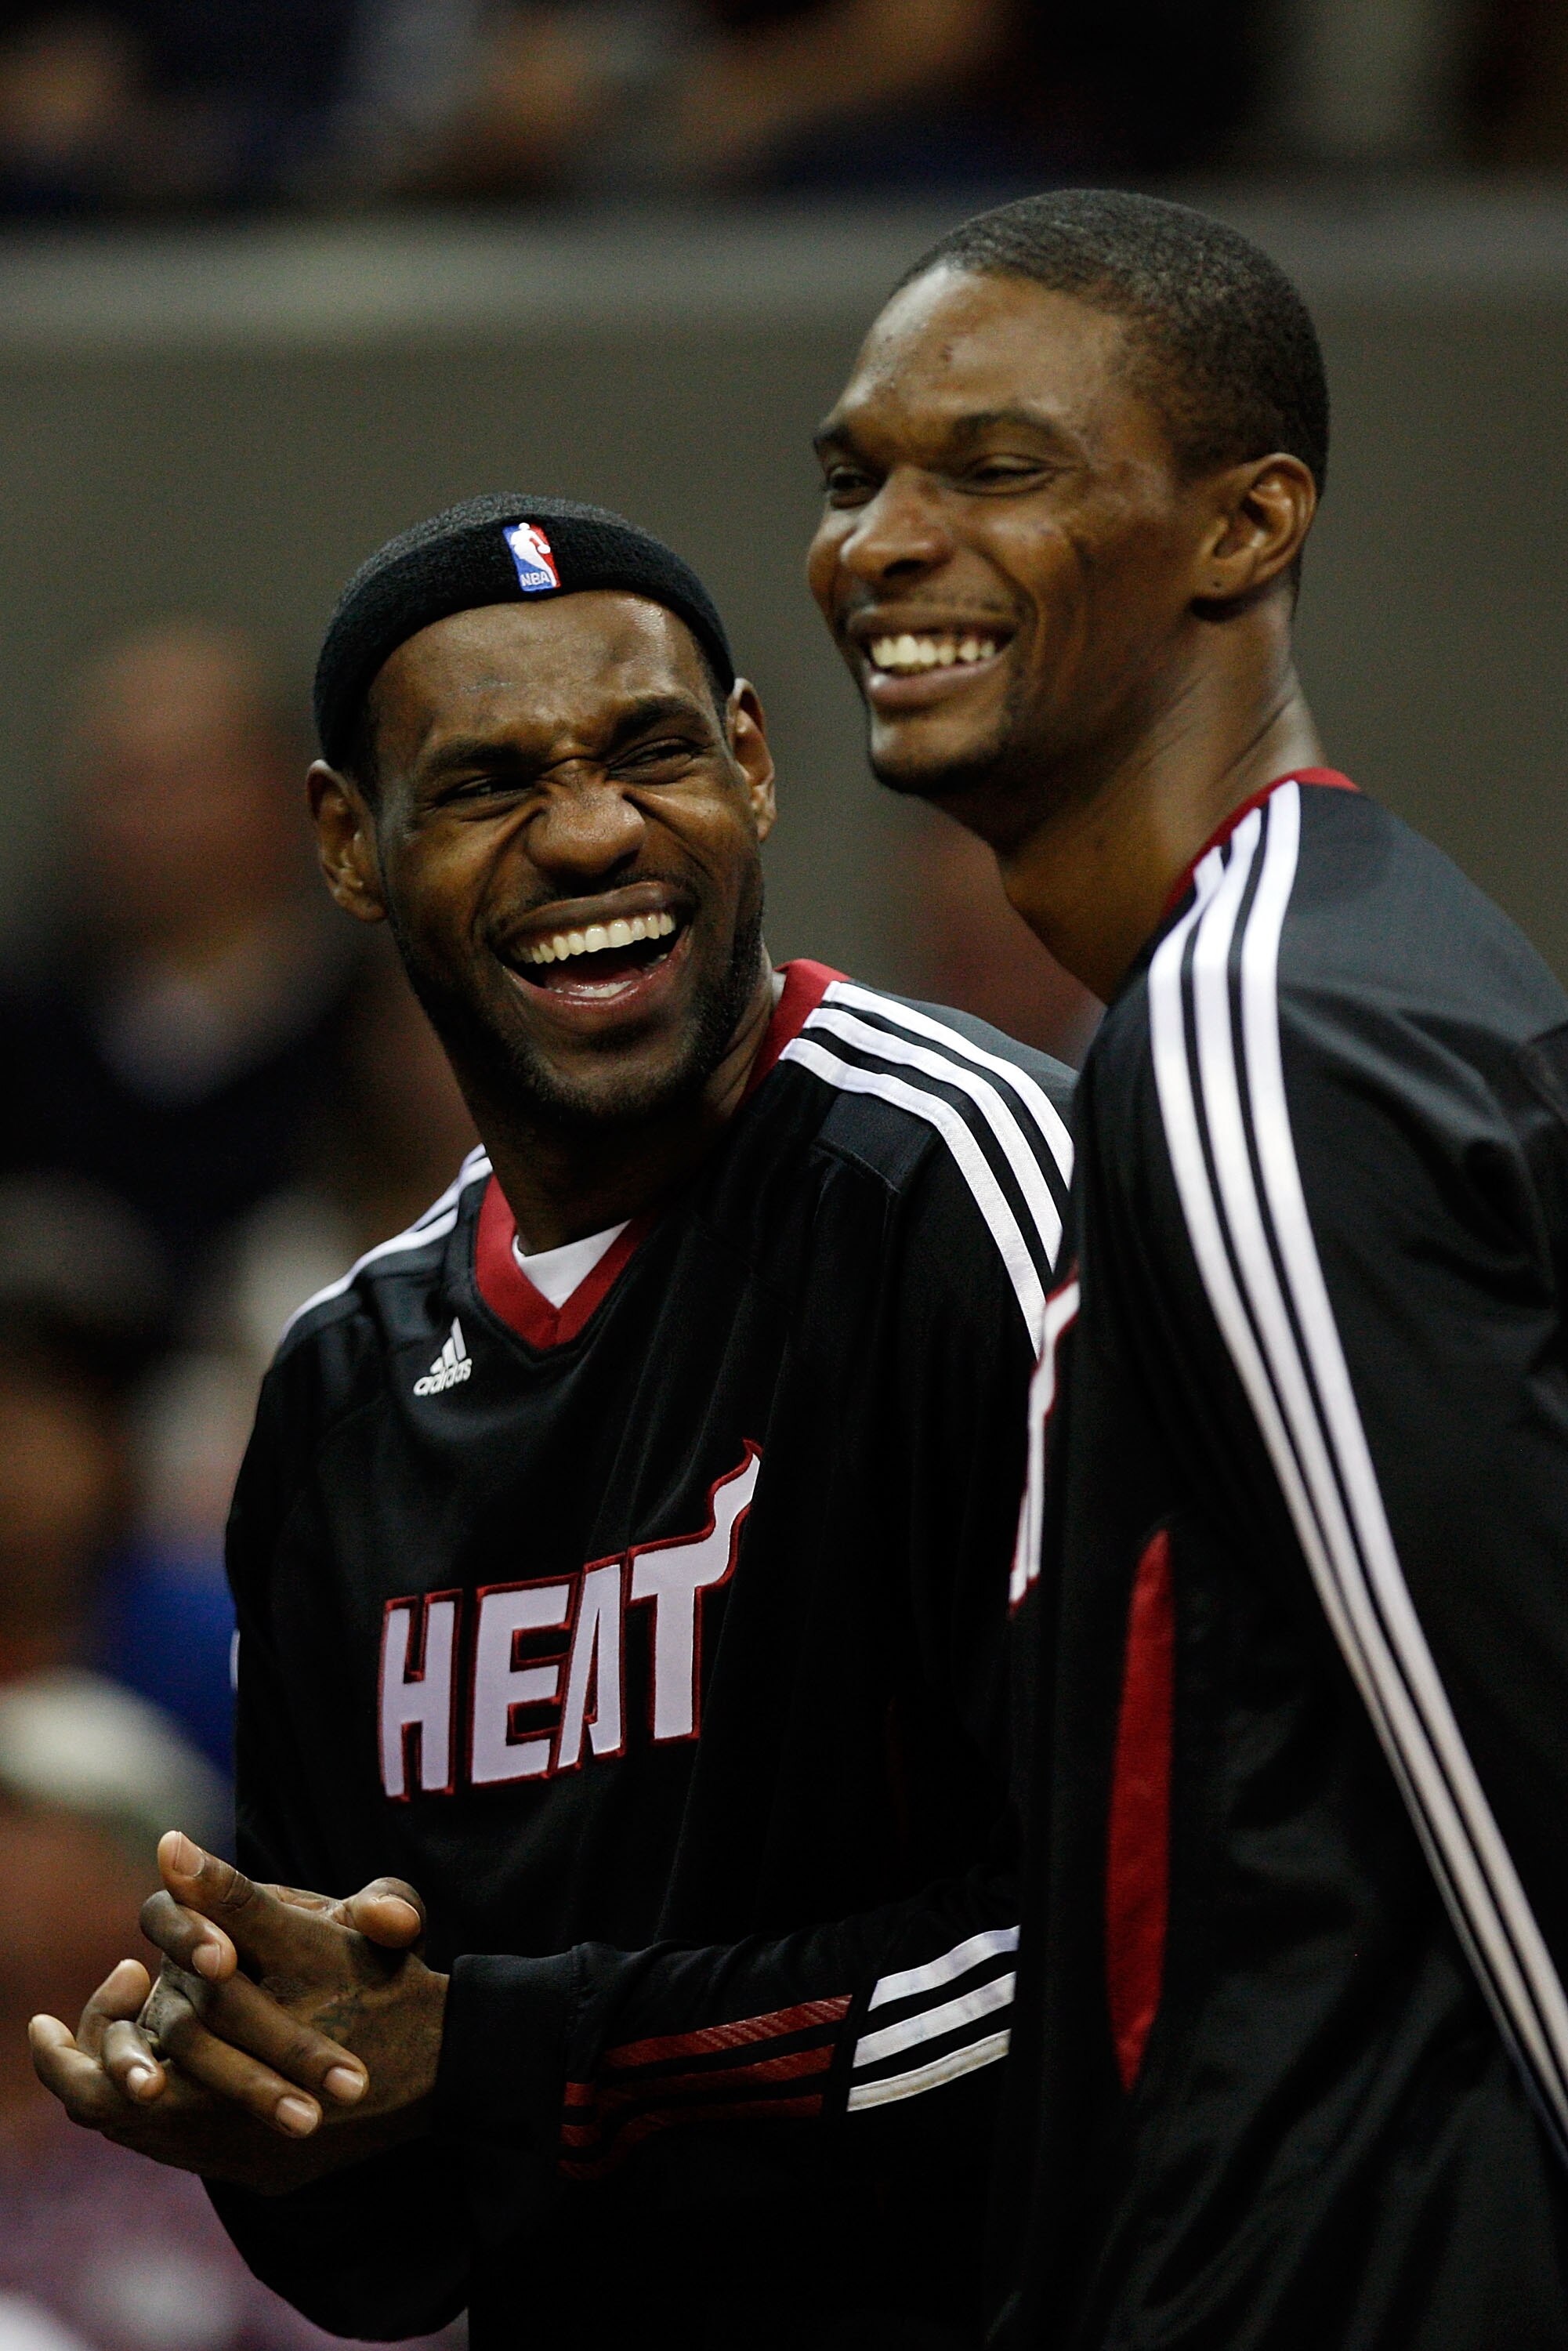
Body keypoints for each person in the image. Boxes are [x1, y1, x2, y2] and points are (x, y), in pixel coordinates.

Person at [31, 494, 1075, 2349]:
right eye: (489, 780)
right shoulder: (343, 1385)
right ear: (350, 849)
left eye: (649, 751)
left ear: (751, 765)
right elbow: (391, 2234)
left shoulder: (969, 1186)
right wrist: (265, 2105)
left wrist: (513, 2052)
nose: (590, 831)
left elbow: (1118, 1943)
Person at [806, 187, 1568, 2346]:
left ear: (1247, 529)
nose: (878, 543)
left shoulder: (1256, 1033)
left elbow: (1513, 1768)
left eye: (997, 468)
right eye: (857, 474)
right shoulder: (1288, 977)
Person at [0, 621, 359, 1292]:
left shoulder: (383, 1033)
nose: (145, 819)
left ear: (290, 797)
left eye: (185, 779)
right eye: (117, 780)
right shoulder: (28, 1031)